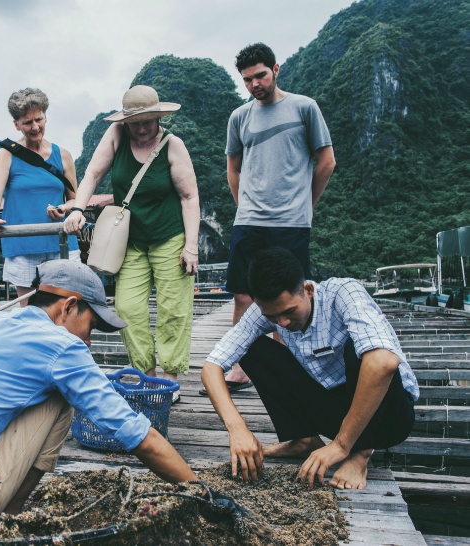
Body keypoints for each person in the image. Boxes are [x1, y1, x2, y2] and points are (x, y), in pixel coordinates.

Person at [0, 260, 205, 545]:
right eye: (90, 327)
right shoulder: (61, 346)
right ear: (68, 307)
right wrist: (203, 494)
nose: (87, 342)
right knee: (62, 398)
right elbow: (138, 437)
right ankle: (5, 522)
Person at [201, 247, 418, 490]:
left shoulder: (343, 293)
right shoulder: (267, 311)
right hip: (335, 409)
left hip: (389, 417)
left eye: (289, 312)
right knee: (253, 349)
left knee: (363, 350)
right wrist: (237, 429)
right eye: (272, 317)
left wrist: (341, 446)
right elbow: (211, 367)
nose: (282, 323)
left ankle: (361, 452)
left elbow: (384, 363)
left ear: (308, 290)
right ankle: (304, 439)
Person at [65, 85, 200, 401]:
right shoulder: (116, 135)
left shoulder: (172, 145)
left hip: (171, 237)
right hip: (130, 241)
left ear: (158, 117)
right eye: (134, 122)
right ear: (125, 121)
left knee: (173, 308)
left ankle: (168, 380)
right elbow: (93, 174)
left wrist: (191, 245)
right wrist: (76, 209)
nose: (140, 128)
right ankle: (146, 375)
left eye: (147, 122)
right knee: (127, 307)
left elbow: (190, 196)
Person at [217, 42, 336, 394]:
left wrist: (305, 204)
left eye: (260, 75)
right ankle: (243, 364)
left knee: (290, 296)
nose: (254, 84)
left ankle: (289, 364)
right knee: (242, 295)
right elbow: (233, 168)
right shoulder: (240, 117)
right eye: (247, 79)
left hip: (291, 222)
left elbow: (326, 161)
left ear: (276, 70)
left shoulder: (304, 108)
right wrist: (244, 207)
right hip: (250, 221)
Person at [0, 88, 80, 303]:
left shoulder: (62, 155)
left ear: (46, 117)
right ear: (16, 124)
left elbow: (75, 199)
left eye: (39, 119)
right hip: (23, 245)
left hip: (60, 242)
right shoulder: (7, 154)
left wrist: (63, 209)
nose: (35, 127)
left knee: (66, 309)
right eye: (27, 122)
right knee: (28, 313)